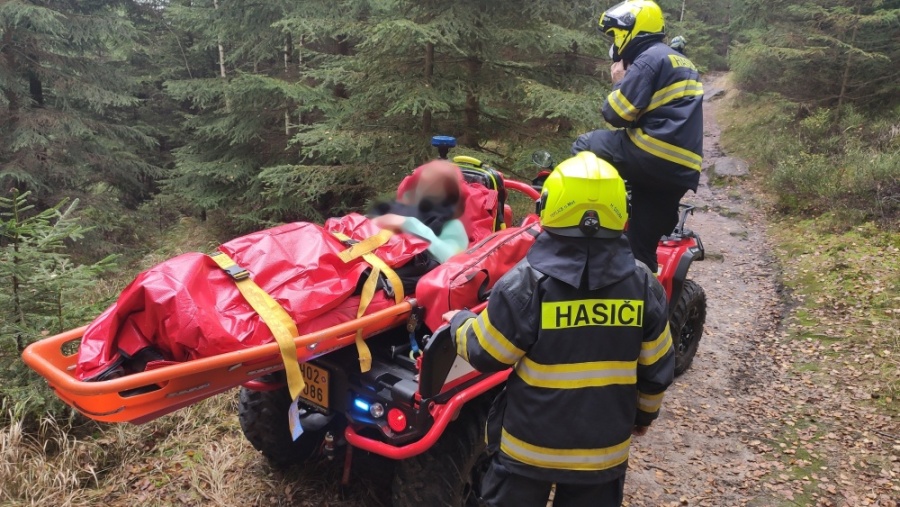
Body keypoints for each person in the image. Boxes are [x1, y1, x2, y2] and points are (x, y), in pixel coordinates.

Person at [443, 151, 674, 507]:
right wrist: (644, 415)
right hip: (602, 454)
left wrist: (460, 323)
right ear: (622, 212)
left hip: (528, 452)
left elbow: (486, 352)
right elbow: (657, 368)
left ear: (549, 206)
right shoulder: (644, 285)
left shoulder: (526, 284)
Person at [572, 0, 703, 273]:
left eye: (617, 34)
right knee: (641, 250)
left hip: (651, 151)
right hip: (681, 169)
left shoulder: (650, 58)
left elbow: (616, 113)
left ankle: (586, 222)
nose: (616, 40)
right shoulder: (682, 61)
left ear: (635, 29)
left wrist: (619, 80)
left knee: (585, 144)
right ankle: (649, 306)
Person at [371, 159, 469, 264]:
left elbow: (451, 259)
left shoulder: (453, 226)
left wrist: (407, 224)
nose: (422, 190)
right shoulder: (402, 209)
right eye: (422, 183)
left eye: (433, 185)